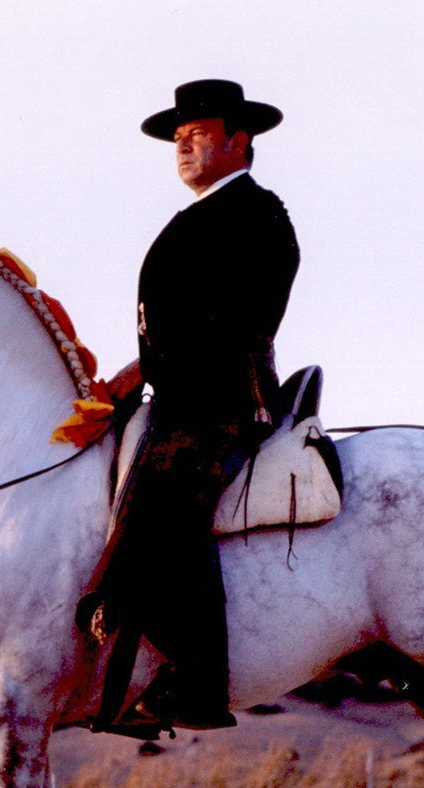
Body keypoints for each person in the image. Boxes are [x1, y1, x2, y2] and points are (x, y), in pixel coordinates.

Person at [80, 79, 300, 733]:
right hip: (177, 395)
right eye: (178, 139)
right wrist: (131, 374)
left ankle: (198, 680)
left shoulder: (259, 216)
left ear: (239, 142)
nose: (183, 146)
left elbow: (235, 320)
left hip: (225, 399)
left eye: (197, 134)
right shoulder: (195, 217)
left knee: (165, 499)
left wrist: (148, 368)